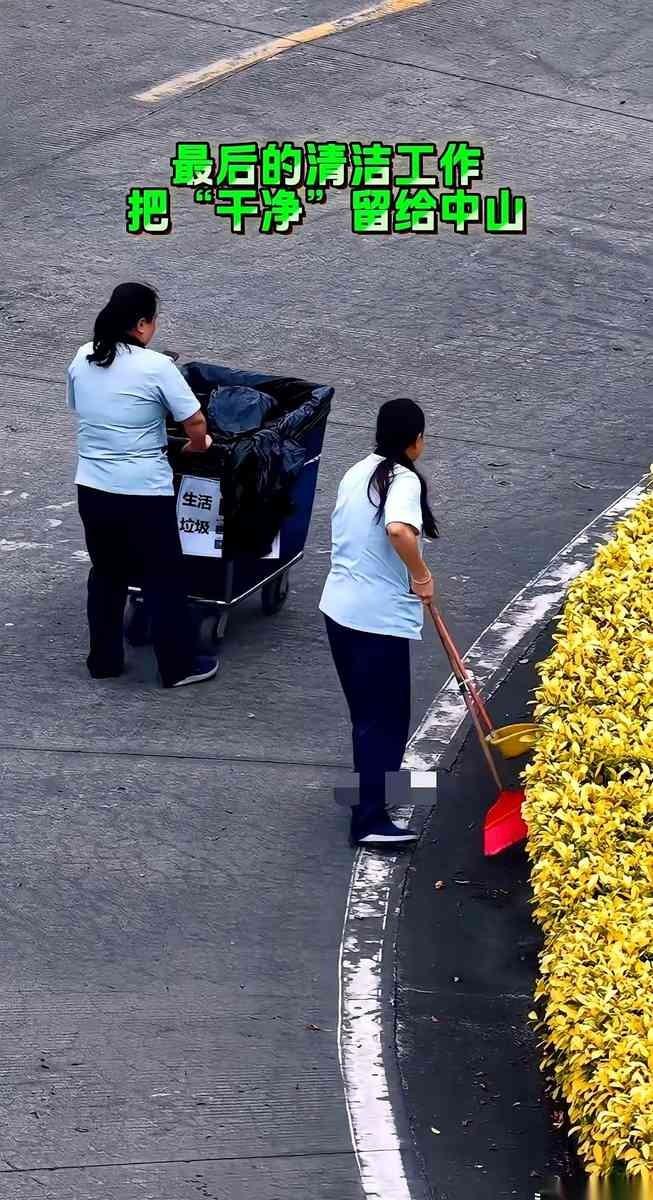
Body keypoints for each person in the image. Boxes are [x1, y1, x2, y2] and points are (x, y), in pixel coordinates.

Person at [66, 281, 218, 688]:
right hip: (143, 493)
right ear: (140, 324)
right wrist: (197, 445)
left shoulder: (83, 357)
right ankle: (178, 666)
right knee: (163, 576)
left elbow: (80, 406)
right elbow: (196, 422)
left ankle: (104, 660)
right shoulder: (157, 367)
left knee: (107, 573)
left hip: (93, 488)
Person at [320, 398, 438, 847]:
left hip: (340, 610)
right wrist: (421, 575)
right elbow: (398, 530)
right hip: (375, 619)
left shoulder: (357, 471)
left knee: (367, 715)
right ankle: (369, 820)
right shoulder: (402, 479)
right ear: (415, 441)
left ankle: (371, 790)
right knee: (385, 720)